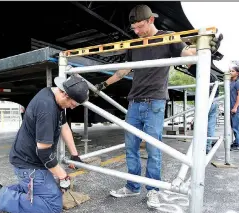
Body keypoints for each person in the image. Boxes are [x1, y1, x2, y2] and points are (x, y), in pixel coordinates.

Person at [94, 4, 223, 208]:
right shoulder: (135, 44)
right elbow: (123, 70)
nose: (136, 32)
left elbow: (186, 53)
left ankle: (153, 190)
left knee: (154, 149)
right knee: (131, 147)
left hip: (155, 101)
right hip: (134, 102)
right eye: (133, 28)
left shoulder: (168, 37)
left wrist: (204, 47)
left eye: (139, 27)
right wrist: (101, 85)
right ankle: (132, 186)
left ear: (151, 20)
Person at [0, 75, 88, 213]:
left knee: (44, 194)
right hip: (30, 165)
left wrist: (75, 154)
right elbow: (44, 152)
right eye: (73, 104)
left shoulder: (52, 94)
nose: (73, 108)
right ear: (65, 94)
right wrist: (62, 175)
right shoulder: (47, 109)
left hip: (32, 160)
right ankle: (0, 197)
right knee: (53, 206)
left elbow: (63, 126)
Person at [188, 64, 220, 154]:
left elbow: (203, 90)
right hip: (214, 100)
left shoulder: (203, 74)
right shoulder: (212, 75)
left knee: (200, 124)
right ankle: (207, 147)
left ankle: (199, 148)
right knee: (210, 126)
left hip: (205, 101)